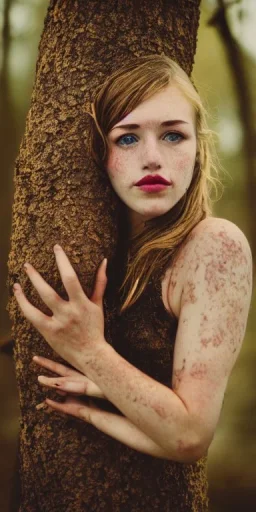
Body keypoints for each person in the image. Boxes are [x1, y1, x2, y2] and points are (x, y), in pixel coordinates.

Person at [13, 55, 252, 511]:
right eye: (127, 138)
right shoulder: (99, 239)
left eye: (173, 135)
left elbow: (188, 435)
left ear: (198, 147)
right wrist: (96, 407)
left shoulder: (215, 248)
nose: (153, 158)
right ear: (99, 152)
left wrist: (91, 354)